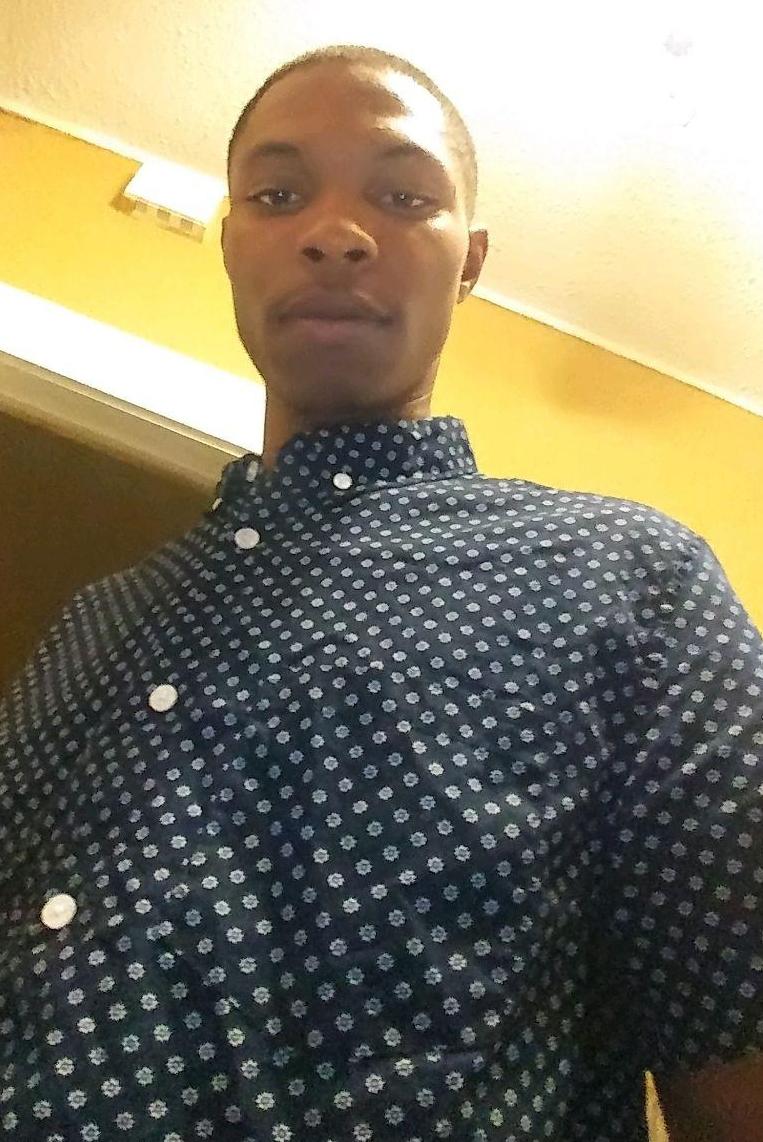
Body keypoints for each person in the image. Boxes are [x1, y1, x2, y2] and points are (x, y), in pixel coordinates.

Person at [0, 42, 761, 1142]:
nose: (334, 232)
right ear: (231, 240)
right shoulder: (89, 624)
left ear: (470, 263)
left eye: (403, 197)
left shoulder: (634, 583)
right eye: (277, 195)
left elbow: (734, 1066)